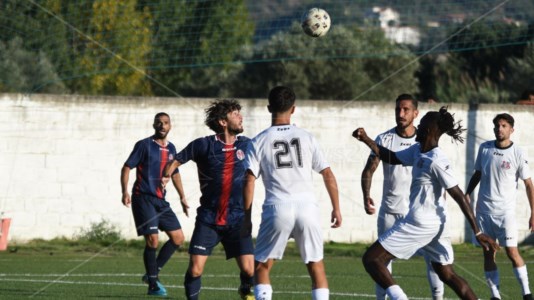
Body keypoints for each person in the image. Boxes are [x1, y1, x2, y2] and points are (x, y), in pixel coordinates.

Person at [353, 106, 499, 300]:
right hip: (436, 226)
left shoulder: (437, 159)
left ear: (428, 130)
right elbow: (392, 157)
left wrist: (477, 231)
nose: (418, 127)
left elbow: (458, 195)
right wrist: (367, 140)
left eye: (421, 125)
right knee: (447, 273)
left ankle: (400, 298)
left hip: (420, 223)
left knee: (372, 259)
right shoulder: (417, 150)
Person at [243, 86, 342, 300]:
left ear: (269, 108)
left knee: (261, 267)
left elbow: (249, 180)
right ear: (293, 109)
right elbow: (328, 174)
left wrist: (246, 216)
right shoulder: (307, 137)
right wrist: (336, 208)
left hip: (277, 207)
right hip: (307, 207)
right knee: (316, 266)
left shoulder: (258, 140)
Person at [162, 99, 254, 300]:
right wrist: (166, 175)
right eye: (235, 113)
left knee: (249, 270)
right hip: (209, 219)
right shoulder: (203, 145)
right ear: (223, 121)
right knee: (195, 269)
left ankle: (246, 290)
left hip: (237, 219)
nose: (240, 116)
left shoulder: (247, 145)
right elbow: (177, 159)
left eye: (240, 112)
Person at [361, 94, 445, 300]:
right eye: (398, 109)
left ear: (416, 113)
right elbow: (369, 170)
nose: (401, 113)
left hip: (419, 215)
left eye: (406, 109)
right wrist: (366, 196)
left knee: (434, 263)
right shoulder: (384, 139)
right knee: (381, 264)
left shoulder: (425, 142)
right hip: (391, 211)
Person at [465, 113, 534, 300]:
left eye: (503, 125)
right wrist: (467, 193)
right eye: (497, 125)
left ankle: (526, 293)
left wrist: (533, 212)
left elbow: (528, 184)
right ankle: (495, 296)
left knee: (512, 251)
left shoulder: (518, 153)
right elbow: (477, 173)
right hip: (484, 211)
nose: (499, 129)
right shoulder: (485, 148)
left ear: (512, 129)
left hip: (506, 213)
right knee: (488, 253)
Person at [121, 112, 188, 296]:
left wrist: (182, 196)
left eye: (165, 123)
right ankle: (153, 284)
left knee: (178, 238)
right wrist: (124, 191)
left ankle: (152, 273)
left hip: (161, 201)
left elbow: (174, 173)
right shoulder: (144, 145)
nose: (162, 126)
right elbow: (127, 167)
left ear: (170, 126)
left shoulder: (172, 148)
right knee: (153, 239)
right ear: (153, 125)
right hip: (143, 197)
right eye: (159, 123)